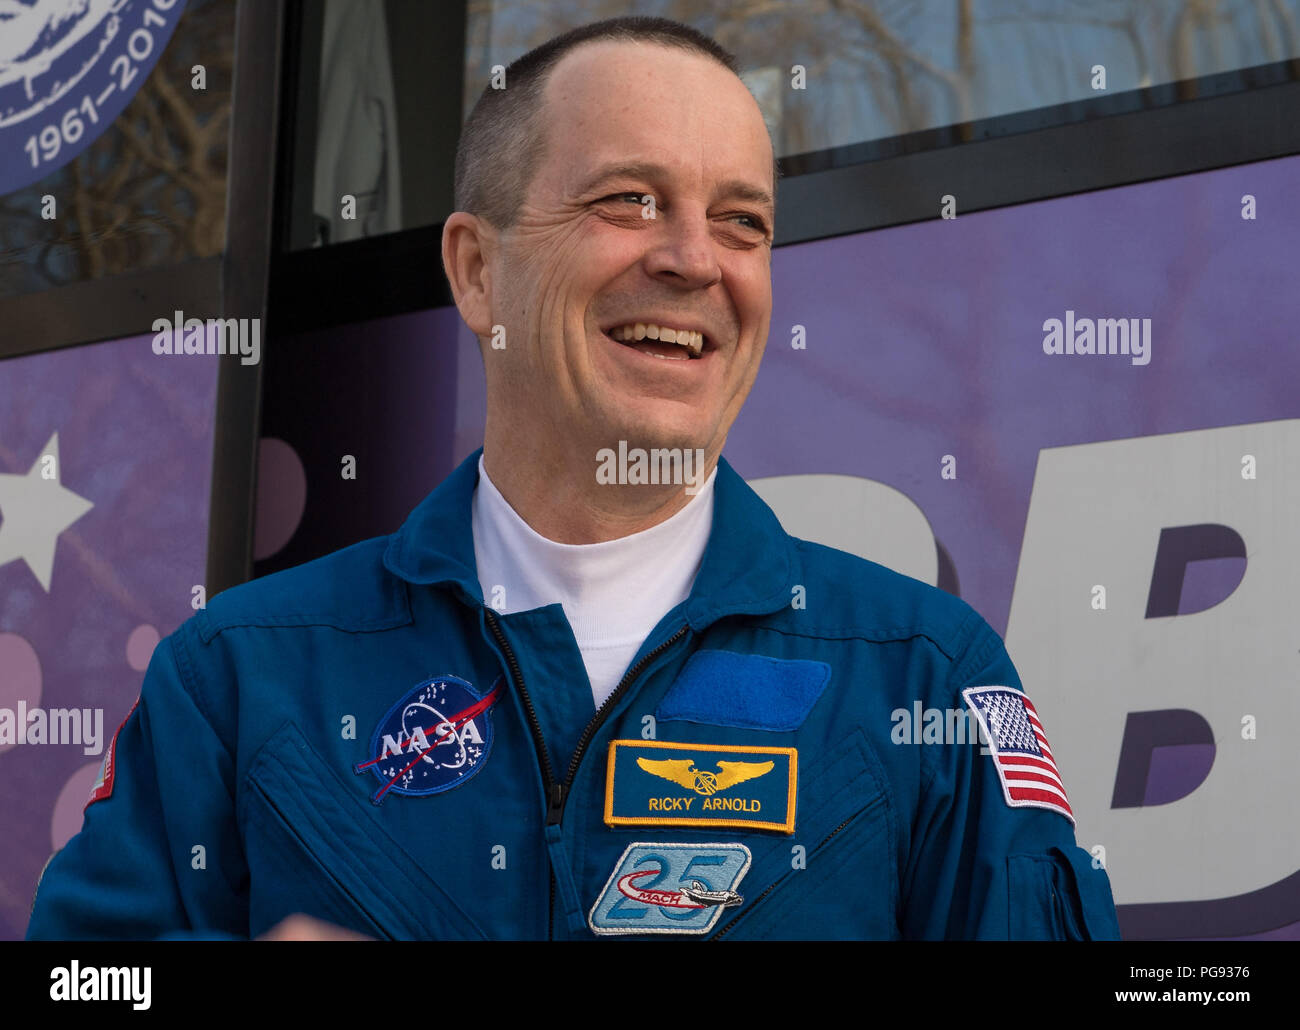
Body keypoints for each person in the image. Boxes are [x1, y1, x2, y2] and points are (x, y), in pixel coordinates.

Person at [27, 16, 1120, 941]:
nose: (694, 259)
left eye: (741, 222)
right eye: (629, 201)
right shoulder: (237, 677)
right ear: (476, 270)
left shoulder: (921, 677)